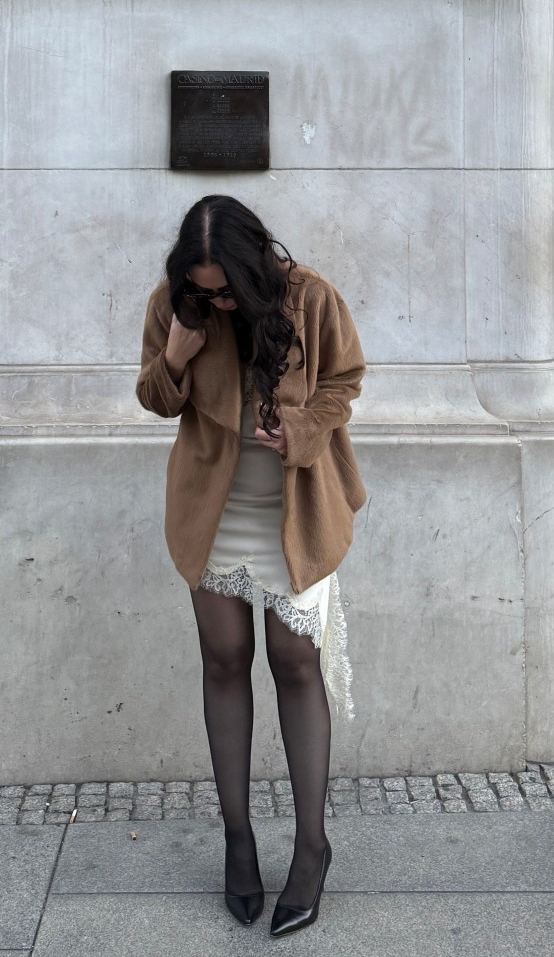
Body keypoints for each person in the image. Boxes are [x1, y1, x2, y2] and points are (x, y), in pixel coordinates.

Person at [135, 194, 367, 937]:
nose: (219, 302)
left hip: (297, 511)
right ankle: (238, 841)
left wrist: (299, 427)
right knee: (225, 660)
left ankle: (311, 848)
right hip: (214, 511)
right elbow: (155, 398)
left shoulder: (311, 298)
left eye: (227, 289)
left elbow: (344, 382)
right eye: (205, 290)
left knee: (295, 662)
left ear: (252, 263)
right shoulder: (176, 307)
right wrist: (177, 352)